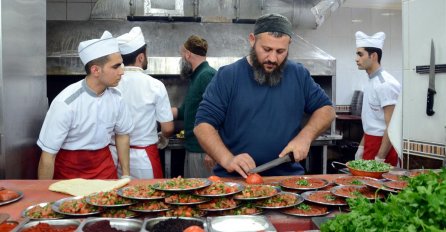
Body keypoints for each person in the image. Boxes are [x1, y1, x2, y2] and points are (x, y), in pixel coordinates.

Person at [193, 13, 336, 178]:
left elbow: (327, 109)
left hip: (287, 179)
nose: (273, 58)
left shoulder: (298, 74)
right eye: (266, 49)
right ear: (252, 40)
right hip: (237, 180)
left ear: (289, 45)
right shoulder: (228, 76)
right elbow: (202, 125)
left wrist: (305, 137)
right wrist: (228, 159)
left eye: (281, 51)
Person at [37, 31, 134, 179]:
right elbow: (47, 156)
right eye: (116, 67)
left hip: (105, 171)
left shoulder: (117, 98)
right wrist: (43, 196)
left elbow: (122, 135)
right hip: (70, 173)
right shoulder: (66, 103)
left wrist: (126, 175)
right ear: (95, 70)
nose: (122, 72)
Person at [112, 27, 174, 179]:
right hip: (143, 159)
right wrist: (163, 138)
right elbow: (167, 127)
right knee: (148, 198)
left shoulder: (111, 83)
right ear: (140, 57)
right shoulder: (155, 85)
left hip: (113, 156)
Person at [171, 35, 217, 178]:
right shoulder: (197, 77)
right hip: (194, 149)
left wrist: (212, 150)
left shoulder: (206, 76)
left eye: (182, 55)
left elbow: (218, 113)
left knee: (203, 194)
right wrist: (158, 113)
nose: (182, 59)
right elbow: (184, 112)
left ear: (188, 54)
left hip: (203, 151)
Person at [354, 31, 401, 166]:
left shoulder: (385, 84)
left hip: (383, 147)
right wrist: (362, 147)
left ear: (373, 56)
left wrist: (380, 158)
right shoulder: (370, 81)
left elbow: (392, 126)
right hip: (370, 143)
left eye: (360, 54)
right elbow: (372, 121)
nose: (356, 59)